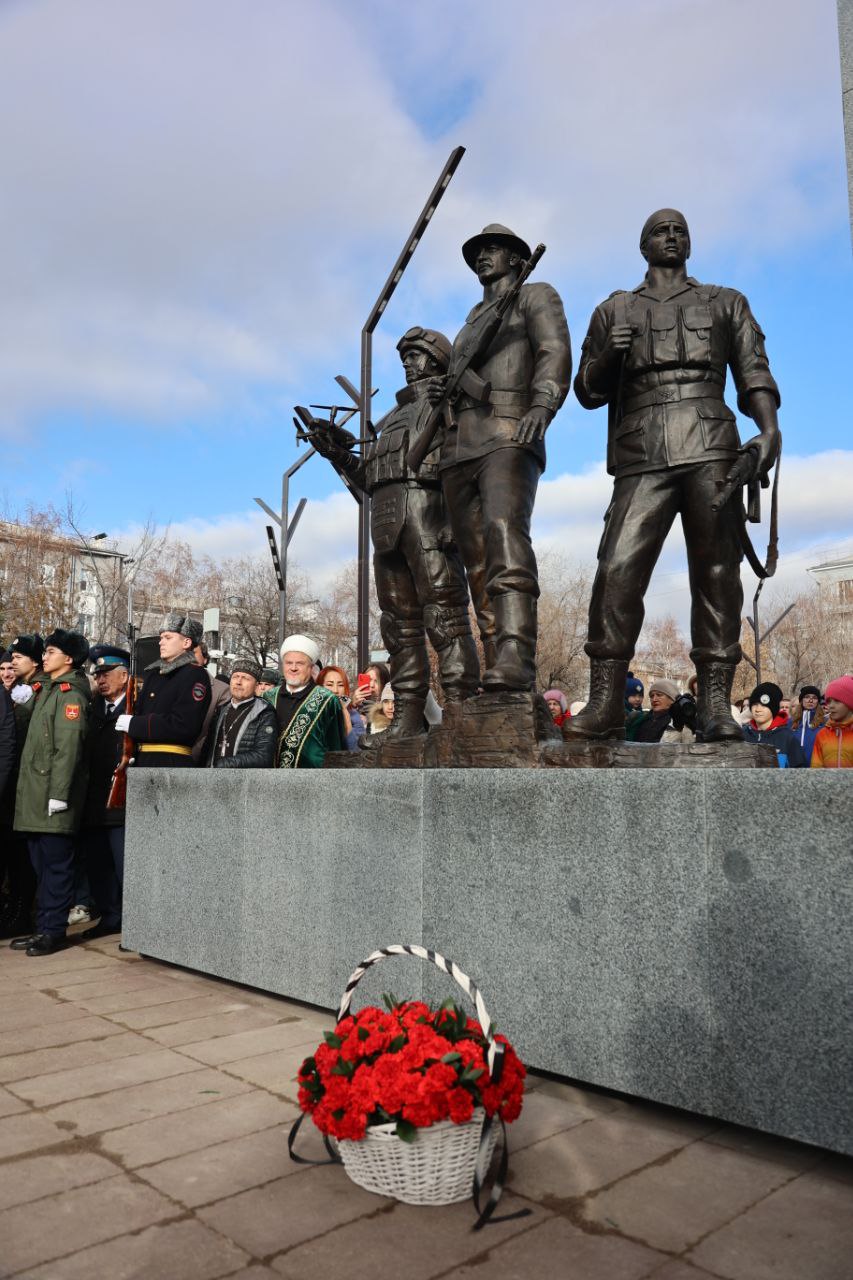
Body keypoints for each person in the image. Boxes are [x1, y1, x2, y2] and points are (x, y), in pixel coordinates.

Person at [566, 210, 780, 743]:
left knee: (716, 576)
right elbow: (588, 392)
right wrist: (609, 358)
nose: (671, 235)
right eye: (660, 230)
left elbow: (753, 372)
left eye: (679, 229)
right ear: (643, 245)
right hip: (642, 451)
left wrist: (770, 430)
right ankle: (605, 702)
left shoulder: (726, 302)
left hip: (711, 443)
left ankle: (713, 707)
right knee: (616, 570)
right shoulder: (614, 308)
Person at [307, 326, 480, 735]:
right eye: (404, 357)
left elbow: (469, 468)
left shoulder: (452, 403)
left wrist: (458, 524)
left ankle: (459, 710)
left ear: (438, 360)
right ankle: (406, 712)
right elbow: (372, 478)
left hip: (428, 513)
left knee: (445, 614)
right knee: (398, 624)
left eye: (417, 356)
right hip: (387, 521)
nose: (408, 364)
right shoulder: (397, 417)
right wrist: (337, 455)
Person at [426, 224, 572, 691]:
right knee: (476, 563)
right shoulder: (470, 321)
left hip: (510, 430)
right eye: (478, 252)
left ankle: (515, 655)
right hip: (459, 447)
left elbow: (553, 352)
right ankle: (495, 663)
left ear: (515, 257)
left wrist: (542, 403)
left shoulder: (535, 296)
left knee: (505, 536)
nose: (484, 257)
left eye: (494, 250)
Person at [11, 629, 91, 956]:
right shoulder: (47, 689)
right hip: (36, 795)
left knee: (56, 867)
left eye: (52, 651)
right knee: (41, 865)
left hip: (51, 796)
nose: (44, 656)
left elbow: (68, 748)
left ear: (68, 659)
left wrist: (59, 793)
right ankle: (43, 927)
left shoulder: (70, 694)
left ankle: (53, 930)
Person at [76, 645, 132, 939]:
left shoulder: (136, 708)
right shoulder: (94, 707)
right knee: (98, 865)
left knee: (124, 867)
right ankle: (110, 916)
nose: (101, 679)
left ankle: (131, 922)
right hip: (95, 799)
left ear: (124, 675)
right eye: (98, 674)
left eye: (107, 673)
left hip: (122, 801)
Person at [117, 614, 211, 767]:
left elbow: (184, 726)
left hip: (170, 762)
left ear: (186, 642)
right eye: (161, 638)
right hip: (141, 761)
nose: (161, 642)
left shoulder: (195, 675)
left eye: (168, 637)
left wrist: (134, 724)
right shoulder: (153, 675)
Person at [264, 635, 346, 767]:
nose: (293, 668)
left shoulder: (328, 700)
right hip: (267, 780)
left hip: (311, 782)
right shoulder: (267, 697)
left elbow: (336, 750)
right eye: (289, 663)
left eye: (300, 663)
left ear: (311, 667)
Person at [203, 659, 277, 767]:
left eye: (245, 678)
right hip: (212, 778)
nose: (238, 682)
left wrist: (225, 764)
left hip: (245, 781)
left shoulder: (264, 713)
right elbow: (207, 749)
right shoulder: (220, 710)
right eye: (235, 677)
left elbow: (263, 756)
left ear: (256, 686)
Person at [741, 682, 806, 767]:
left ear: (774, 708)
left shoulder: (787, 738)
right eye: (754, 704)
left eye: (764, 706)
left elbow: (799, 774)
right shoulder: (742, 735)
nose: (758, 709)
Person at [191, 639, 230, 763]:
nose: (189, 657)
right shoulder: (172, 684)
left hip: (201, 759)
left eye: (193, 653)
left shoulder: (222, 690)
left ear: (205, 659)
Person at [317, 666, 365, 751]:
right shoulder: (311, 713)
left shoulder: (354, 716)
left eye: (340, 685)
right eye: (329, 685)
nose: (335, 690)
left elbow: (357, 753)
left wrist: (346, 718)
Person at [810, 675, 853, 769]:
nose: (830, 706)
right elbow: (815, 770)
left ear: (850, 703)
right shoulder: (822, 734)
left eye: (837, 701)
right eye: (828, 701)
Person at [789, 685, 825, 764]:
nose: (810, 700)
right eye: (807, 697)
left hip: (816, 768)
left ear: (818, 702)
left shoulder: (824, 724)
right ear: (801, 700)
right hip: (793, 769)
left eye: (814, 698)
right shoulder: (790, 723)